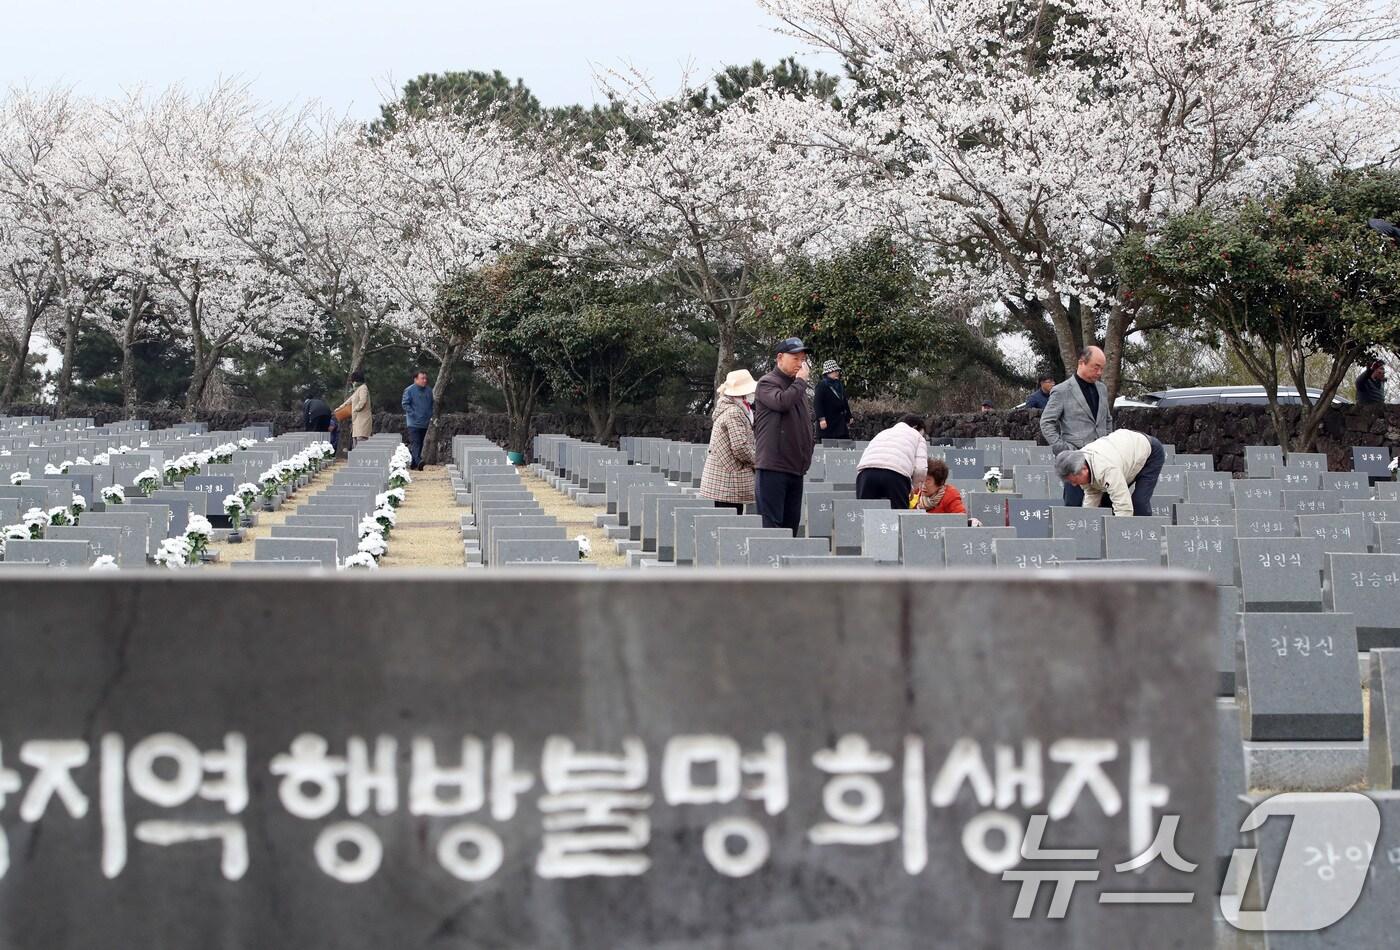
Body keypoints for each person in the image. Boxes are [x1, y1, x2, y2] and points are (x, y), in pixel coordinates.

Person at [753, 338, 815, 533]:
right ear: (780, 358)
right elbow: (781, 403)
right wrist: (800, 383)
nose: (800, 364)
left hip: (795, 468)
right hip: (773, 467)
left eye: (803, 359)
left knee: (791, 527)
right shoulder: (767, 383)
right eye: (795, 358)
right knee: (773, 529)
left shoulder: (799, 388)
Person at [1040, 346, 1113, 506]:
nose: (1100, 372)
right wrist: (1062, 449)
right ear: (1082, 362)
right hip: (1075, 459)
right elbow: (1046, 422)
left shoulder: (1102, 389)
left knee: (1106, 509)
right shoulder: (1062, 390)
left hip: (1102, 460)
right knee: (1075, 507)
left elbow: (1107, 419)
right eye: (1096, 367)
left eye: (1102, 368)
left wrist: (1109, 444)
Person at [1055, 429, 1165, 517]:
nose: (1074, 485)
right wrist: (1087, 522)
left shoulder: (1106, 469)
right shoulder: (1080, 462)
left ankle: (1142, 538)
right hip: (1123, 451)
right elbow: (1092, 495)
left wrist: (1120, 534)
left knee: (1139, 502)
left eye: (1074, 481)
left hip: (1149, 452)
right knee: (1106, 503)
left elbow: (1123, 506)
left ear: (1084, 470)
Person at [700, 370, 759, 513]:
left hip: (725, 477)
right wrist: (758, 461)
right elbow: (740, 446)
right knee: (730, 521)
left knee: (725, 518)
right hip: (729, 479)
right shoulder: (734, 412)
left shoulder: (730, 408)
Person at [856, 414, 929, 509]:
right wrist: (912, 488)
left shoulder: (883, 432)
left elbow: (867, 456)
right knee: (898, 515)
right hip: (895, 474)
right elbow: (920, 470)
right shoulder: (917, 436)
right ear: (916, 427)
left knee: (865, 514)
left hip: (866, 474)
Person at [912, 459, 984, 525]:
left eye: (928, 481)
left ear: (940, 482)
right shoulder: (916, 493)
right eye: (922, 480)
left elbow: (960, 519)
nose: (923, 485)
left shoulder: (950, 495)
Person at [401, 369, 434, 471]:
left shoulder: (429, 390)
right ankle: (419, 461)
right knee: (416, 442)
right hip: (413, 422)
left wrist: (430, 415)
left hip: (425, 422)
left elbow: (432, 404)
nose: (424, 380)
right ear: (415, 379)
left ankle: (414, 463)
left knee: (421, 443)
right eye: (422, 378)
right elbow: (405, 404)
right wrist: (413, 414)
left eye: (425, 378)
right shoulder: (409, 390)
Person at [813, 360, 852, 442]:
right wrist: (821, 419)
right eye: (835, 371)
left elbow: (844, 401)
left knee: (844, 443)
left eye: (837, 371)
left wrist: (849, 416)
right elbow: (817, 403)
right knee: (828, 446)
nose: (837, 373)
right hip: (828, 422)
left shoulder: (839, 384)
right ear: (828, 372)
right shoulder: (821, 386)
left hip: (840, 422)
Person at [335, 370, 372, 447]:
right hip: (356, 419)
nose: (352, 383)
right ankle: (356, 458)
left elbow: (363, 401)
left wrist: (355, 409)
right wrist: (339, 408)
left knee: (361, 439)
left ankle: (362, 458)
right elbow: (349, 401)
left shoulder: (363, 388)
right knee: (355, 441)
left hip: (363, 419)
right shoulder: (357, 389)